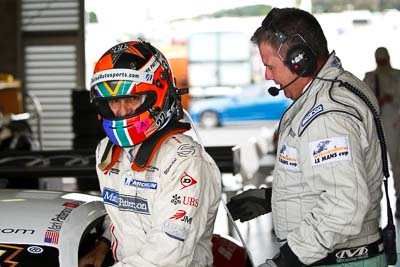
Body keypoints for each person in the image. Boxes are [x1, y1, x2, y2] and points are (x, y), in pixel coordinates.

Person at [227, 7, 388, 267]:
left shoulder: (328, 116)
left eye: (270, 66)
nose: (268, 75)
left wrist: (286, 262)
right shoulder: (338, 87)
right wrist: (275, 198)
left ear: (299, 60)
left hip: (337, 261)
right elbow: (335, 180)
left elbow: (343, 206)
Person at [78, 40, 222, 267]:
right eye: (115, 100)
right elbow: (123, 211)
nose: (123, 110)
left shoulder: (184, 159)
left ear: (159, 96)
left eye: (132, 99)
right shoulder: (106, 151)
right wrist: (103, 244)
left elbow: (167, 253)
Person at [363, 47, 400, 217]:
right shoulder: (370, 77)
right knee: (372, 165)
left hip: (393, 124)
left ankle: (399, 197)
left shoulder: (396, 76)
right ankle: (372, 205)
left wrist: (391, 99)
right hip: (374, 127)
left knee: (396, 163)